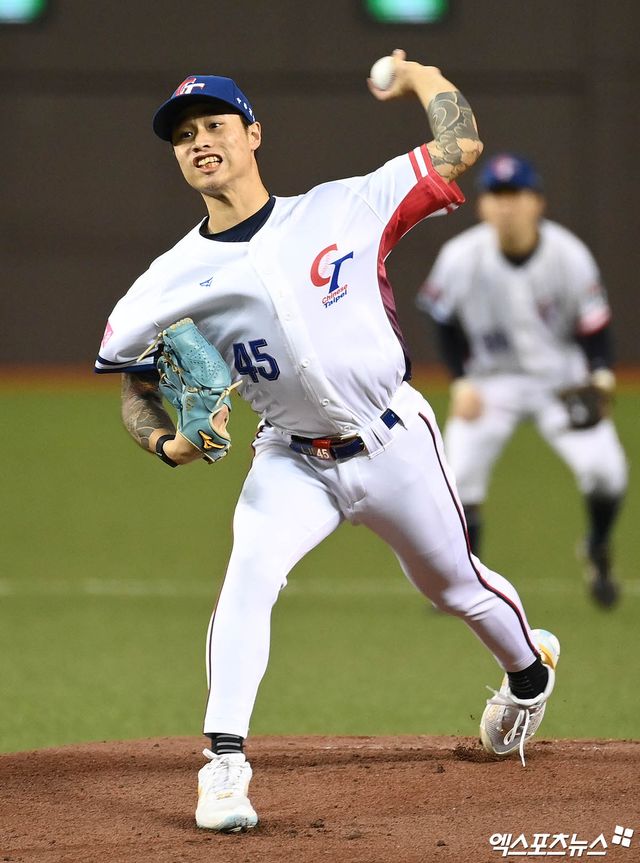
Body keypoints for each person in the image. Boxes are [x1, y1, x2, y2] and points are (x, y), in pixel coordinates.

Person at [96, 53, 560, 833]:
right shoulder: (166, 279)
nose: (199, 140)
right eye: (183, 135)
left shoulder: (346, 206)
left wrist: (420, 77)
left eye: (214, 124)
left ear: (253, 134)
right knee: (250, 571)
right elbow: (130, 380)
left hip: (393, 442)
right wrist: (165, 443)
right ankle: (223, 765)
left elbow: (460, 149)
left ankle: (526, 677)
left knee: (455, 587)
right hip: (289, 457)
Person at [416, 153, 628, 609]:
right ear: (483, 207)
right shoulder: (462, 257)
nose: (507, 206)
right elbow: (442, 320)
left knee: (607, 474)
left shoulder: (569, 255)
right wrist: (461, 381)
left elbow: (595, 329)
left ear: (537, 203)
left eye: (516, 195)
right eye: (497, 196)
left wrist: (602, 377)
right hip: (492, 383)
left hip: (561, 383)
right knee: (458, 476)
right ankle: (466, 577)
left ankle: (596, 545)